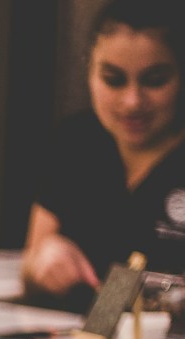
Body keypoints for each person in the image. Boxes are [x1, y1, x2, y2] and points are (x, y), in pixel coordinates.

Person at [23, 0, 185, 305]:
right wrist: (44, 261)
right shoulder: (75, 142)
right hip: (76, 330)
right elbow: (31, 264)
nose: (132, 101)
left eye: (155, 81)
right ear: (90, 71)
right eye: (114, 80)